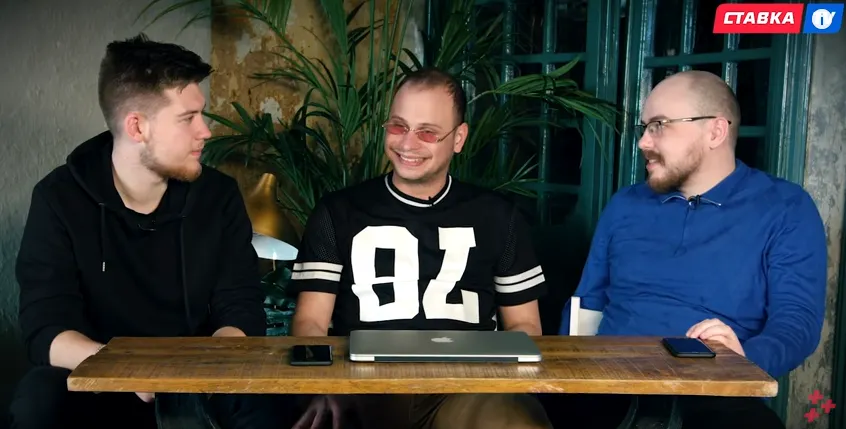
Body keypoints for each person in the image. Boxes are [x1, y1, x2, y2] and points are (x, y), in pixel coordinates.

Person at [10, 34, 283, 429]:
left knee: (265, 399)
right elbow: (45, 329)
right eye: (188, 118)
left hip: (199, 384)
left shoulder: (218, 196)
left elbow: (240, 306)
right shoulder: (59, 199)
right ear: (137, 127)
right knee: (39, 397)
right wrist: (128, 371)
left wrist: (205, 369)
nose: (205, 131)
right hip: (101, 380)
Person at [556, 70, 827, 429]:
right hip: (609, 389)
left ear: (715, 131)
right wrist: (564, 376)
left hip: (713, 393)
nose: (643, 142)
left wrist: (744, 358)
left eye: (659, 125)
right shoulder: (625, 204)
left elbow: (796, 322)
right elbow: (586, 304)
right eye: (644, 127)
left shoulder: (786, 207)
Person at [286, 67, 552, 429]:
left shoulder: (498, 216)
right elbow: (311, 321)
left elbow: (524, 323)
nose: (408, 144)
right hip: (363, 388)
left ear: (459, 138)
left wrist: (503, 385)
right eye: (398, 126)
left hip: (465, 390)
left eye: (427, 132)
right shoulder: (337, 211)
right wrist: (322, 383)